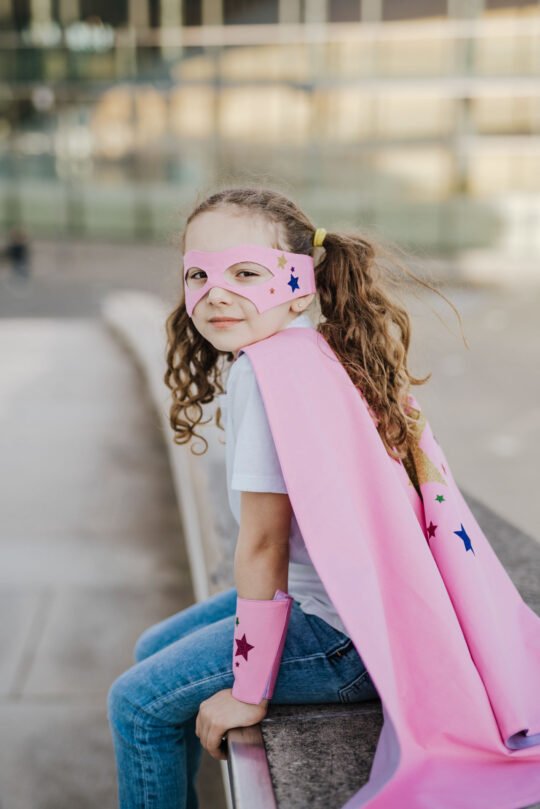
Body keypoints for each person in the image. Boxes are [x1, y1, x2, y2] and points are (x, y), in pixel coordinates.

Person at [107, 187, 540, 809]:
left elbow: (262, 543)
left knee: (137, 704)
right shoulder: (311, 348)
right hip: (358, 608)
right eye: (198, 273)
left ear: (301, 283)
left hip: (342, 639)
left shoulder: (263, 372)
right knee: (153, 652)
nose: (216, 292)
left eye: (247, 272)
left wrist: (249, 692)